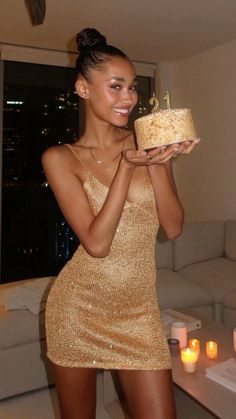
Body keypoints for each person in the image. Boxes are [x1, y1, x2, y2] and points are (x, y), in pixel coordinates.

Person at [42, 28, 199, 419]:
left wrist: (158, 164)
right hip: (77, 310)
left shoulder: (146, 142)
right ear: (83, 88)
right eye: (115, 86)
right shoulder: (60, 158)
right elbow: (97, 243)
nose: (128, 98)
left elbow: (174, 227)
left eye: (131, 87)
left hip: (139, 311)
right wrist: (127, 168)